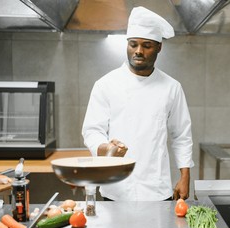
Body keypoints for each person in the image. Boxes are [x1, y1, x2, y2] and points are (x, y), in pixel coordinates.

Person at [82, 6, 194, 201]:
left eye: (147, 45)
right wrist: (105, 148)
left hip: (157, 188)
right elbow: (92, 130)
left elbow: (181, 135)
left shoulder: (171, 87)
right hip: (116, 188)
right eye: (133, 44)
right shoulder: (106, 84)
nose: (138, 51)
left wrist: (185, 176)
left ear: (159, 47)